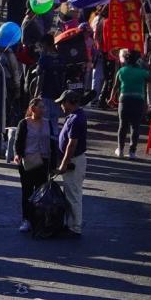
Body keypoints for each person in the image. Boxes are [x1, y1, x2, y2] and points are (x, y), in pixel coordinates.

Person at [14, 97, 54, 233]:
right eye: (40, 107)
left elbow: (52, 143)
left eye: (44, 107)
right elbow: (18, 142)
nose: (43, 109)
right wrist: (18, 155)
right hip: (29, 161)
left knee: (42, 192)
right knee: (27, 192)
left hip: (44, 161)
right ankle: (26, 219)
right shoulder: (24, 123)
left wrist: (53, 164)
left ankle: (39, 219)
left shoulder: (48, 123)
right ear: (32, 109)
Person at [56, 89, 88, 237]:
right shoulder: (74, 116)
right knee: (70, 193)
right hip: (75, 159)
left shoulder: (76, 119)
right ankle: (70, 223)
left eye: (63, 102)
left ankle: (75, 226)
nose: (61, 105)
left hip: (75, 160)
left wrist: (64, 163)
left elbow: (71, 144)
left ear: (70, 102)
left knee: (73, 194)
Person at [112, 49, 151, 159]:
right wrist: (149, 68)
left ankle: (120, 150)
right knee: (135, 127)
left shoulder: (122, 71)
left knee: (123, 125)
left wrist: (111, 98)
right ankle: (132, 152)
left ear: (126, 59)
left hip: (124, 100)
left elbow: (115, 86)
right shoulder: (142, 72)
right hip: (138, 100)